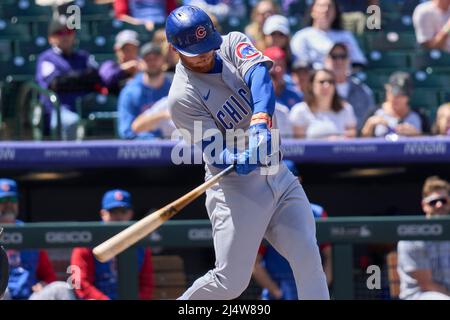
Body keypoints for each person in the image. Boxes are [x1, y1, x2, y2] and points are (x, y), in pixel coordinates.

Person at [166, 5, 329, 300]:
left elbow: (260, 77)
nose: (205, 54)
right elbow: (213, 150)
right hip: (235, 189)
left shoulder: (231, 43)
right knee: (231, 282)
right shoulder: (181, 96)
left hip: (278, 174)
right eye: (196, 50)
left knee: (307, 255)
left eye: (207, 46)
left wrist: (259, 124)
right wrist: (235, 158)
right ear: (174, 49)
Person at [252, 160, 333, 300]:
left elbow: (329, 256)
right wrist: (276, 292)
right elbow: (255, 264)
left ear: (298, 180)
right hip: (278, 292)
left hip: (308, 288)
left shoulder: (318, 213)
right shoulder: (264, 215)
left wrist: (322, 286)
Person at [71, 189, 154, 300]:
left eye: (123, 212)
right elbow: (79, 282)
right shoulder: (87, 243)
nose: (118, 217)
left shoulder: (141, 245)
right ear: (103, 214)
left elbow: (146, 284)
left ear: (130, 214)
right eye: (113, 212)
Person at [0, 178, 74, 300]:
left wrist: (44, 283)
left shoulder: (29, 232)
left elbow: (49, 276)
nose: (9, 205)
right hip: (3, 294)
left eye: (12, 200)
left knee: (61, 288)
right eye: (3, 200)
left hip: (30, 296)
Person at [36, 15, 102, 139]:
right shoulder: (46, 58)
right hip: (58, 109)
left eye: (69, 32)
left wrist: (69, 79)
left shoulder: (83, 56)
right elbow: (56, 84)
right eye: (60, 32)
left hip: (86, 106)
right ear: (51, 38)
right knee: (70, 122)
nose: (65, 36)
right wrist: (82, 78)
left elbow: (96, 76)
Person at [397, 176, 450, 300]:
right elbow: (427, 285)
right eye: (433, 201)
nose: (438, 205)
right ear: (424, 205)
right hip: (420, 295)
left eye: (443, 200)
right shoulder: (413, 236)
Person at [117, 42, 172, 139]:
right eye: (147, 59)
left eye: (156, 58)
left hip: (176, 146)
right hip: (142, 149)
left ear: (163, 60)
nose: (152, 62)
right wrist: (155, 139)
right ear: (140, 62)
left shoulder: (175, 87)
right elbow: (127, 131)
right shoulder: (129, 92)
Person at [290, 0, 367, 69]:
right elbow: (299, 66)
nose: (326, 10)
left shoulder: (345, 36)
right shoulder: (302, 36)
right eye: (321, 6)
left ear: (335, 12)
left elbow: (358, 63)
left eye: (329, 7)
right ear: (312, 11)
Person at [289, 68, 357, 139]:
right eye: (322, 82)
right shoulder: (299, 111)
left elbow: (350, 141)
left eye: (330, 82)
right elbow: (298, 146)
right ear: (312, 85)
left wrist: (338, 140)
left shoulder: (346, 109)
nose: (326, 85)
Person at [324, 42, 375, 130]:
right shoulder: (319, 89)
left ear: (349, 60)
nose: (339, 61)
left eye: (343, 56)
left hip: (356, 142)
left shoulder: (363, 92)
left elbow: (368, 124)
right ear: (326, 60)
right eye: (334, 56)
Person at [360, 72, 428, 138]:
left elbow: (431, 141)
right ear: (387, 90)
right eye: (393, 93)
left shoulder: (419, 115)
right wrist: (370, 125)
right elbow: (360, 144)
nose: (396, 98)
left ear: (408, 96)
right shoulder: (375, 112)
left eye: (401, 95)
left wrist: (417, 135)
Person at [99, 30, 140, 96]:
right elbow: (104, 80)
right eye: (126, 49)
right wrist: (123, 69)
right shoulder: (109, 66)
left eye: (133, 49)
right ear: (116, 49)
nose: (130, 53)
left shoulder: (143, 65)